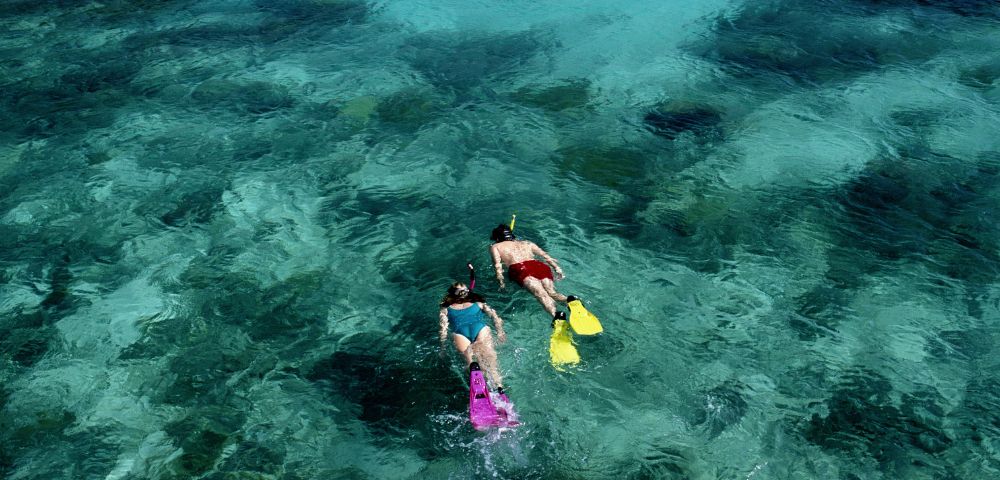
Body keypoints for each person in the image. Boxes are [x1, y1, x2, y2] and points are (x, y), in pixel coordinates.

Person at [489, 223, 572, 322]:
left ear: (497, 238)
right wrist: (557, 269)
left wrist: (500, 280)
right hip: (540, 266)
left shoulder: (496, 246)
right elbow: (546, 256)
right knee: (552, 292)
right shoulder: (527, 243)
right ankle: (570, 300)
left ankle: (557, 317)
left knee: (541, 294)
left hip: (521, 269)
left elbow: (497, 265)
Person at [439, 282, 508, 392]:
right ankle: (479, 388)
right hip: (464, 333)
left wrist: (500, 332)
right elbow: (443, 328)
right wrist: (443, 346)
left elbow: (495, 316)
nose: (464, 293)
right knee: (469, 361)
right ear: (453, 293)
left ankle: (498, 385)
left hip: (475, 330)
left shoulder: (477, 303)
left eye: (465, 290)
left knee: (488, 356)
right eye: (461, 291)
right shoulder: (447, 308)